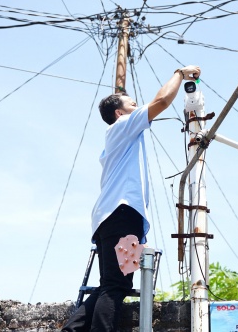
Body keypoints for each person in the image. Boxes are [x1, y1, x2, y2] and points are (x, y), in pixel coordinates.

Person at [62, 65, 201, 332]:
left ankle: (72, 329)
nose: (136, 104)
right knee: (116, 285)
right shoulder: (124, 125)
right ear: (119, 112)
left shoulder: (120, 136)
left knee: (113, 284)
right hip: (123, 213)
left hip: (114, 216)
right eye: (131, 103)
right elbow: (161, 101)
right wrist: (179, 74)